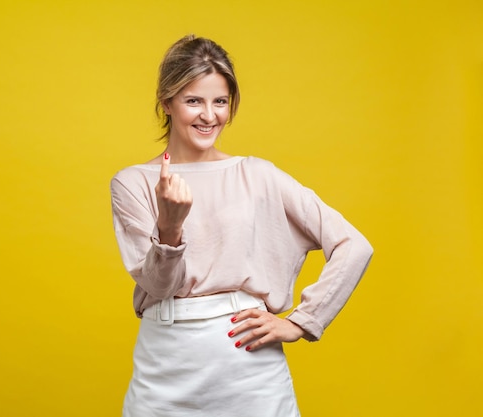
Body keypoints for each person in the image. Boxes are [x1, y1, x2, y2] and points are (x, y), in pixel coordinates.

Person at [110, 34, 373, 417]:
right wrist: (170, 226)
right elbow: (159, 286)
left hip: (249, 368)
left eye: (220, 101)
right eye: (193, 101)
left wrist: (303, 321)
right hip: (166, 364)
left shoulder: (258, 175)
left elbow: (354, 245)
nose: (209, 115)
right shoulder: (133, 182)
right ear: (167, 103)